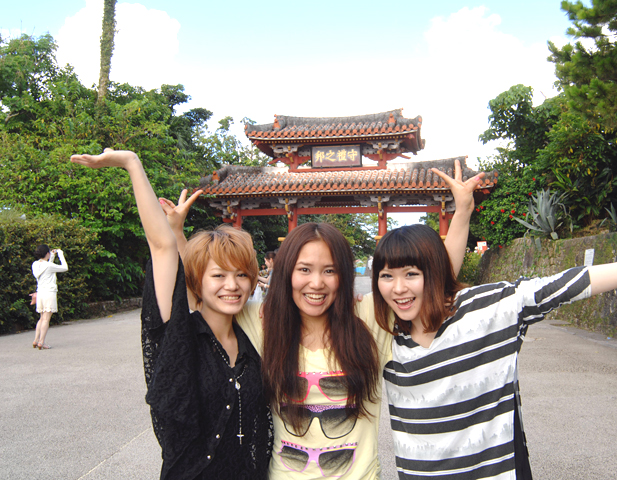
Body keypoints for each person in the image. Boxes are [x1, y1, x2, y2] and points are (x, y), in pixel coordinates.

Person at [161, 159, 485, 479]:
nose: (316, 283)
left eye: (329, 271)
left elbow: (434, 283)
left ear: (343, 276)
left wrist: (462, 211)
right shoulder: (263, 321)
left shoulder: (369, 317)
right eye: (304, 269)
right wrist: (176, 234)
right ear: (287, 273)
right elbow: (202, 288)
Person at [371, 214, 617, 479]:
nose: (398, 288)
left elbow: (562, 286)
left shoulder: (485, 310)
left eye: (411, 274)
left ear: (435, 272)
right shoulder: (383, 331)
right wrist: (462, 208)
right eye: (387, 276)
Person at [70, 149, 272, 480]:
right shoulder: (181, 336)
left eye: (241, 275)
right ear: (198, 281)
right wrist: (132, 163)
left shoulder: (254, 336)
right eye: (218, 275)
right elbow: (162, 247)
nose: (232, 285)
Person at [31, 245, 68, 350]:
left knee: (41, 318)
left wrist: (51, 257)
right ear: (47, 253)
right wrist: (60, 254)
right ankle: (41, 342)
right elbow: (65, 267)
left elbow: (46, 266)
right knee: (46, 319)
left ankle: (36, 340)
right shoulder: (49, 266)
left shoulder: (35, 264)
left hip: (40, 293)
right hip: (49, 293)